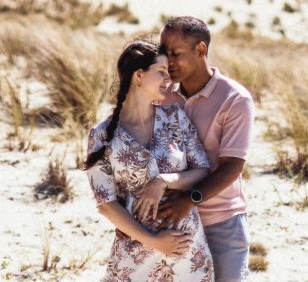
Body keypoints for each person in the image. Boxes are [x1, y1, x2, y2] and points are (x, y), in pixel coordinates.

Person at [86, 39, 215, 281]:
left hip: (188, 254)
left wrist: (163, 181)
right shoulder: (102, 135)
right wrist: (154, 242)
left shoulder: (176, 117)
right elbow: (106, 203)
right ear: (138, 75)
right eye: (161, 72)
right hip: (136, 256)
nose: (169, 79)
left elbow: (202, 170)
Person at [157, 17, 255, 282]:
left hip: (221, 222)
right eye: (164, 53)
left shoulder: (235, 99)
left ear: (201, 50)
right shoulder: (161, 92)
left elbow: (233, 166)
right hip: (170, 223)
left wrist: (189, 199)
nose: (167, 61)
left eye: (175, 54)